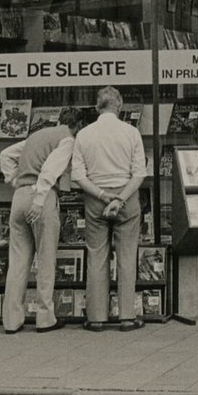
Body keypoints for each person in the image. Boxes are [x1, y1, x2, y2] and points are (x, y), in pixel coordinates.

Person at [0, 106, 85, 334]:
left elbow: (5, 155)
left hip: (19, 198)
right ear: (78, 125)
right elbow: (50, 169)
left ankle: (11, 321)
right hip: (41, 197)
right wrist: (38, 198)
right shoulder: (67, 139)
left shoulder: (36, 136)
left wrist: (14, 180)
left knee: (18, 262)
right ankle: (45, 318)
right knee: (46, 260)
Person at [71, 86, 147, 332]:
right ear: (120, 105)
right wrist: (120, 199)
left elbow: (78, 176)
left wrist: (103, 195)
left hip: (95, 198)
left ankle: (96, 318)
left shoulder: (83, 134)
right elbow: (139, 174)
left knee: (96, 255)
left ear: (96, 107)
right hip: (126, 198)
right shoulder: (131, 132)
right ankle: (126, 317)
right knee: (126, 257)